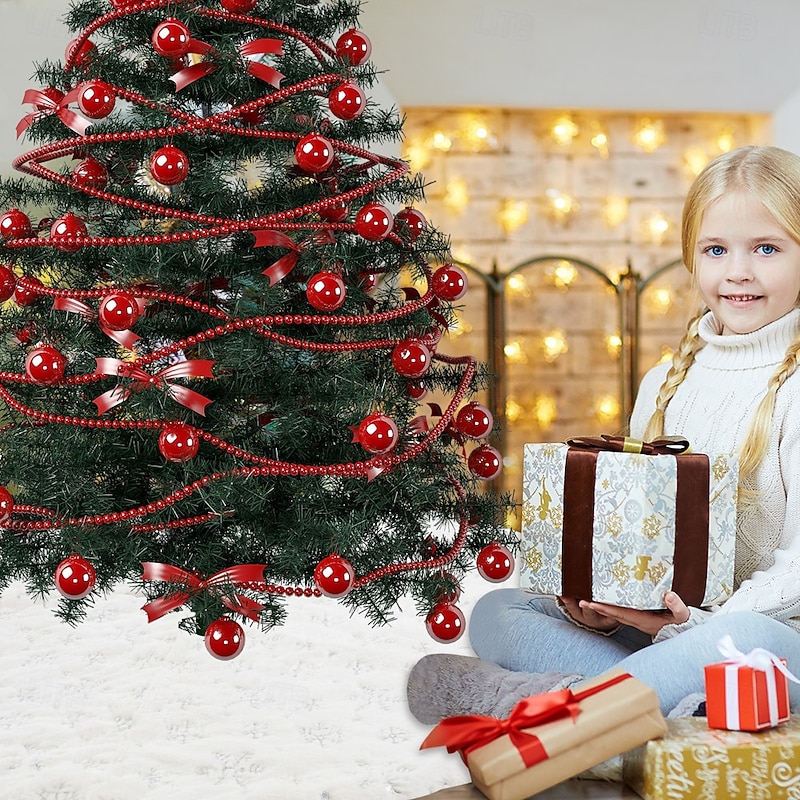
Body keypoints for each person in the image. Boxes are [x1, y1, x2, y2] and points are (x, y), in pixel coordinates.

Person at [407, 145, 800, 724]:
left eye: (766, 249)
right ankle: (630, 709)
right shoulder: (667, 379)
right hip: (663, 634)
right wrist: (605, 609)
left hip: (764, 638)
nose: (737, 271)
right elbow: (644, 535)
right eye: (715, 250)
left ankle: (539, 707)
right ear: (692, 258)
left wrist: (695, 626)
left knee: (739, 638)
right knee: (498, 609)